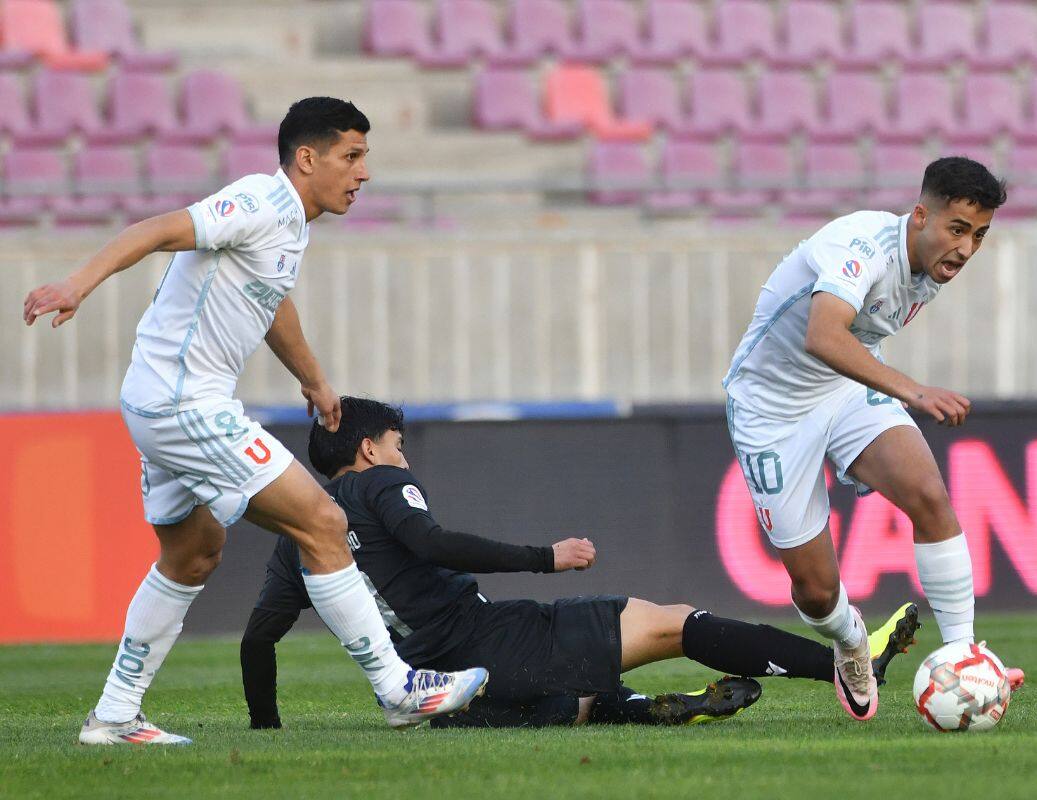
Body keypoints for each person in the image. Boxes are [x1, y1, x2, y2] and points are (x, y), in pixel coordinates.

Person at [23, 98, 486, 745]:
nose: (363, 173)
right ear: (307, 158)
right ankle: (398, 688)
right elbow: (158, 229)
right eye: (351, 156)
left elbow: (272, 305)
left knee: (192, 555)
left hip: (159, 400)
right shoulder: (259, 203)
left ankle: (114, 716)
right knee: (323, 522)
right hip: (186, 402)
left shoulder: (290, 226)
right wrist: (78, 283)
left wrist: (315, 380)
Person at [239, 397, 921, 729]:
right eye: (396, 444)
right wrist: (546, 557)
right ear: (365, 450)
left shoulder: (295, 539)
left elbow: (257, 640)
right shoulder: (378, 485)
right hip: (483, 643)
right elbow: (432, 544)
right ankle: (843, 665)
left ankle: (651, 709)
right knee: (671, 623)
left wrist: (266, 732)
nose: (403, 456)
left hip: (440, 702)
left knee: (561, 699)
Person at [723, 157, 1025, 723]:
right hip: (771, 411)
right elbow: (822, 333)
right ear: (919, 216)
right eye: (957, 230)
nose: (965, 248)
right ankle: (849, 638)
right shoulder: (860, 246)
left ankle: (966, 656)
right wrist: (911, 390)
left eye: (979, 235)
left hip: (842, 390)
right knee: (815, 591)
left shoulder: (929, 266)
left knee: (930, 497)